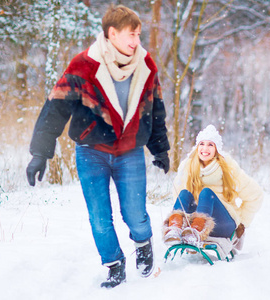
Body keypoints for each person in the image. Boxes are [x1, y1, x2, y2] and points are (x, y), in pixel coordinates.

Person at [25, 4, 170, 288]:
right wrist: (40, 153)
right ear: (112, 33)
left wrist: (160, 148)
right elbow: (55, 107)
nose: (136, 41)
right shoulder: (83, 65)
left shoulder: (146, 65)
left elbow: (155, 109)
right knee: (100, 218)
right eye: (131, 34)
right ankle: (114, 263)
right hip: (91, 152)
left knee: (135, 214)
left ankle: (143, 242)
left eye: (138, 35)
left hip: (129, 151)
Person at [162, 125, 263, 252]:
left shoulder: (227, 166)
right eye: (202, 144)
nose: (205, 148)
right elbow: (177, 195)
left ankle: (196, 233)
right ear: (197, 147)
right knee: (184, 194)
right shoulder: (188, 165)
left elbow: (256, 195)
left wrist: (243, 223)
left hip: (223, 223)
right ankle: (174, 229)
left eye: (210, 144)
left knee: (206, 193)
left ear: (217, 149)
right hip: (194, 224)